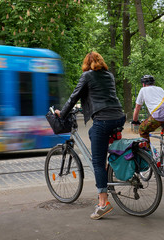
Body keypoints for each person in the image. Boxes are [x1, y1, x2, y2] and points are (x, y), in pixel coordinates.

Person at [54, 51, 126, 220]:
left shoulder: (87, 76)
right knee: (93, 133)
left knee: (97, 162)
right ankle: (110, 171)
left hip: (103, 120)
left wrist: (62, 113)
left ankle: (103, 203)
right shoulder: (109, 75)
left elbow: (73, 97)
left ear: (86, 64)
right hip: (119, 117)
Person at [132, 75, 164, 145]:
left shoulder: (143, 90)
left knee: (142, 129)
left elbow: (137, 107)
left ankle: (148, 153)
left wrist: (135, 120)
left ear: (143, 84)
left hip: (159, 115)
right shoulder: (160, 89)